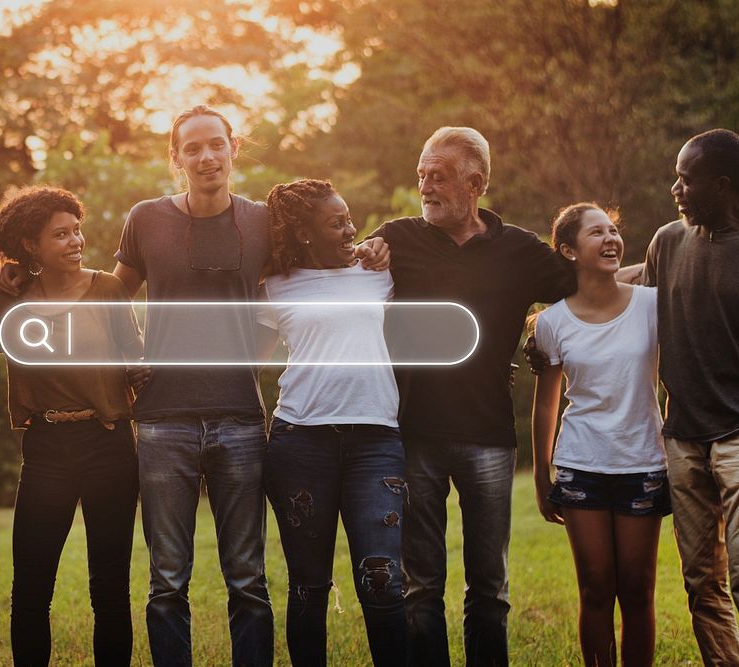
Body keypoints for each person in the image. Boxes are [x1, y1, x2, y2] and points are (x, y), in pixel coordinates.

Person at [109, 105, 389, 666]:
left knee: (247, 579)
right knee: (167, 580)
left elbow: (324, 252)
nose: (206, 157)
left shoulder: (263, 222)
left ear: (234, 148)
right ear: (176, 158)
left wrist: (384, 246)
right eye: (193, 148)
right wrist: (129, 355)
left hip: (240, 417)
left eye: (216, 144)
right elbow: (115, 293)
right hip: (162, 420)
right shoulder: (146, 218)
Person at [370, 127, 572, 666]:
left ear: (475, 183)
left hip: (488, 437)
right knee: (421, 588)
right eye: (421, 176)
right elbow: (343, 269)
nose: (426, 186)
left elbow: (588, 289)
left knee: (490, 590)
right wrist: (365, 249)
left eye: (439, 176)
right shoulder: (399, 237)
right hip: (414, 435)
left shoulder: (520, 250)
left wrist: (661, 273)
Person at [0, 186, 143, 666]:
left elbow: (137, 363)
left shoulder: (109, 289)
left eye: (77, 230)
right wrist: (0, 277)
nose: (76, 241)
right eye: (60, 234)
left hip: (107, 444)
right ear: (31, 246)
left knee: (109, 587)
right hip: (47, 446)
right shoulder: (13, 299)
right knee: (30, 586)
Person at [257, 179, 408, 666]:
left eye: (350, 218)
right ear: (304, 234)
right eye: (336, 222)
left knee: (382, 580)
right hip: (300, 441)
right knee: (308, 588)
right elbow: (249, 361)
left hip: (376, 440)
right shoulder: (273, 285)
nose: (350, 228)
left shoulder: (378, 273)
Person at [530, 203, 669, 667]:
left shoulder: (651, 305)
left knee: (636, 589)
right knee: (594, 587)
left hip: (643, 463)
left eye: (613, 230)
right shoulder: (552, 323)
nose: (610, 239)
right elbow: (547, 402)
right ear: (569, 250)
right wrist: (541, 477)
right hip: (580, 466)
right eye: (596, 233)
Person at [640, 129, 739, 666]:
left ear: (722, 186)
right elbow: (633, 301)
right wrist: (555, 318)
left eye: (687, 179)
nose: (675, 188)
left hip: (738, 439)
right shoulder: (667, 242)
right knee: (702, 583)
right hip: (683, 440)